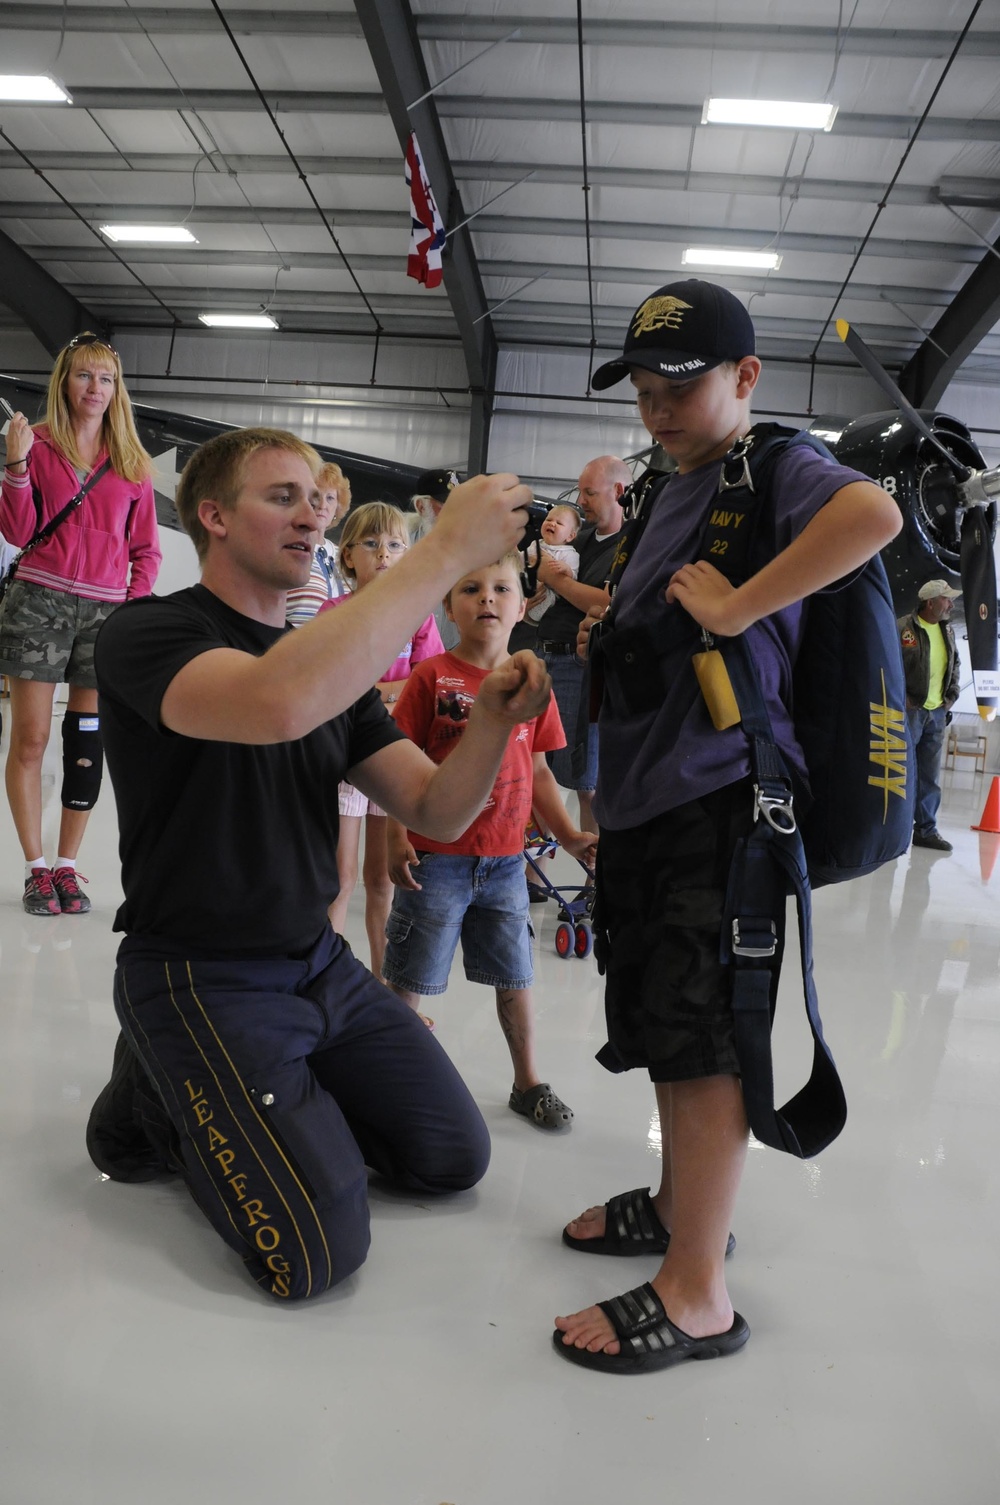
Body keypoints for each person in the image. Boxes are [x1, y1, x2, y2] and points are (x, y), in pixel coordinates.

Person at [85, 426, 549, 1301]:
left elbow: (437, 806)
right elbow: (274, 702)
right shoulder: (149, 632)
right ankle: (156, 1101)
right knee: (314, 1253)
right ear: (213, 516)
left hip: (317, 967)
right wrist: (444, 545)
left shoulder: (332, 668)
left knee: (452, 1156)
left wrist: (492, 723)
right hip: (198, 971)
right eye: (283, 497)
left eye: (318, 499)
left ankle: (204, 1085)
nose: (314, 515)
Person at [550, 278, 901, 1372]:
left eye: (681, 385)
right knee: (664, 1008)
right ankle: (676, 1203)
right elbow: (653, 611)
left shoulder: (776, 465)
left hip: (723, 798)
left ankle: (697, 1289)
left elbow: (873, 515)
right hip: (655, 792)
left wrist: (745, 605)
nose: (658, 405)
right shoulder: (671, 481)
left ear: (746, 378)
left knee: (703, 1034)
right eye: (645, 387)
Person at [381, 550, 597, 1122]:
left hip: (506, 862)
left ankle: (528, 1082)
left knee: (517, 976)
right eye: (471, 589)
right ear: (450, 605)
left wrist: (571, 836)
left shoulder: (532, 686)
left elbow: (543, 774)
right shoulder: (431, 677)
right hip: (437, 861)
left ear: (523, 605)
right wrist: (396, 836)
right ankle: (387, 1078)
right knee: (411, 977)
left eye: (501, 589)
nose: (487, 599)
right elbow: (398, 765)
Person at [0, 333, 160, 917]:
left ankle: (68, 866)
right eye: (84, 376)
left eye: (106, 379)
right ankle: (35, 868)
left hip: (104, 615)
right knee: (32, 739)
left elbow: (146, 551)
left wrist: (130, 608)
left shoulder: (132, 462)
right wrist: (14, 462)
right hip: (38, 603)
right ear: (64, 382)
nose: (95, 388)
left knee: (87, 741)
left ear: (117, 390)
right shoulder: (36, 445)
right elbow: (18, 532)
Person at [325, 501, 443, 981]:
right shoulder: (334, 612)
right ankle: (326, 982)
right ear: (349, 555)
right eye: (371, 544)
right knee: (340, 880)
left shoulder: (416, 616)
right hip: (346, 759)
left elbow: (426, 679)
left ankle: (383, 982)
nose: (384, 553)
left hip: (396, 757)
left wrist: (374, 690)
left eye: (395, 544)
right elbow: (329, 679)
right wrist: (386, 692)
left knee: (381, 880)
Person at [532, 456, 628, 839]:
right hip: (543, 653)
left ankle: (595, 882)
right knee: (534, 770)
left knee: (586, 782)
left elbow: (608, 602)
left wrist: (554, 581)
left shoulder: (631, 544)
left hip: (580, 665)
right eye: (580, 491)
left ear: (618, 492)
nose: (581, 501)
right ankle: (530, 874)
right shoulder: (578, 536)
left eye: (589, 492)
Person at [898, 579, 962, 852]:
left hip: (936, 713)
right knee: (900, 773)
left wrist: (951, 697)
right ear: (930, 602)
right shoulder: (903, 628)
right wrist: (902, 700)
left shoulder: (947, 631)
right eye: (946, 599)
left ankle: (926, 830)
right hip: (909, 712)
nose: (951, 604)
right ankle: (892, 829)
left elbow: (955, 664)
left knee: (930, 776)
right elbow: (888, 664)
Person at [284, 460, 350, 625]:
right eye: (317, 496)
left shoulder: (346, 555)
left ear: (338, 507)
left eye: (330, 498)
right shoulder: (289, 545)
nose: (322, 505)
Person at [411, 467, 462, 649]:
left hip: (458, 651)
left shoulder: (473, 549)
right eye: (445, 505)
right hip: (409, 652)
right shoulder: (400, 546)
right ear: (421, 507)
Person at [524, 505, 581, 625]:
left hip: (547, 593)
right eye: (548, 520)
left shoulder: (570, 554)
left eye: (559, 523)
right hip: (524, 586)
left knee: (547, 594)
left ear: (570, 536)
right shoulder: (536, 544)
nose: (552, 524)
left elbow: (574, 577)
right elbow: (523, 560)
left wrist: (566, 569)